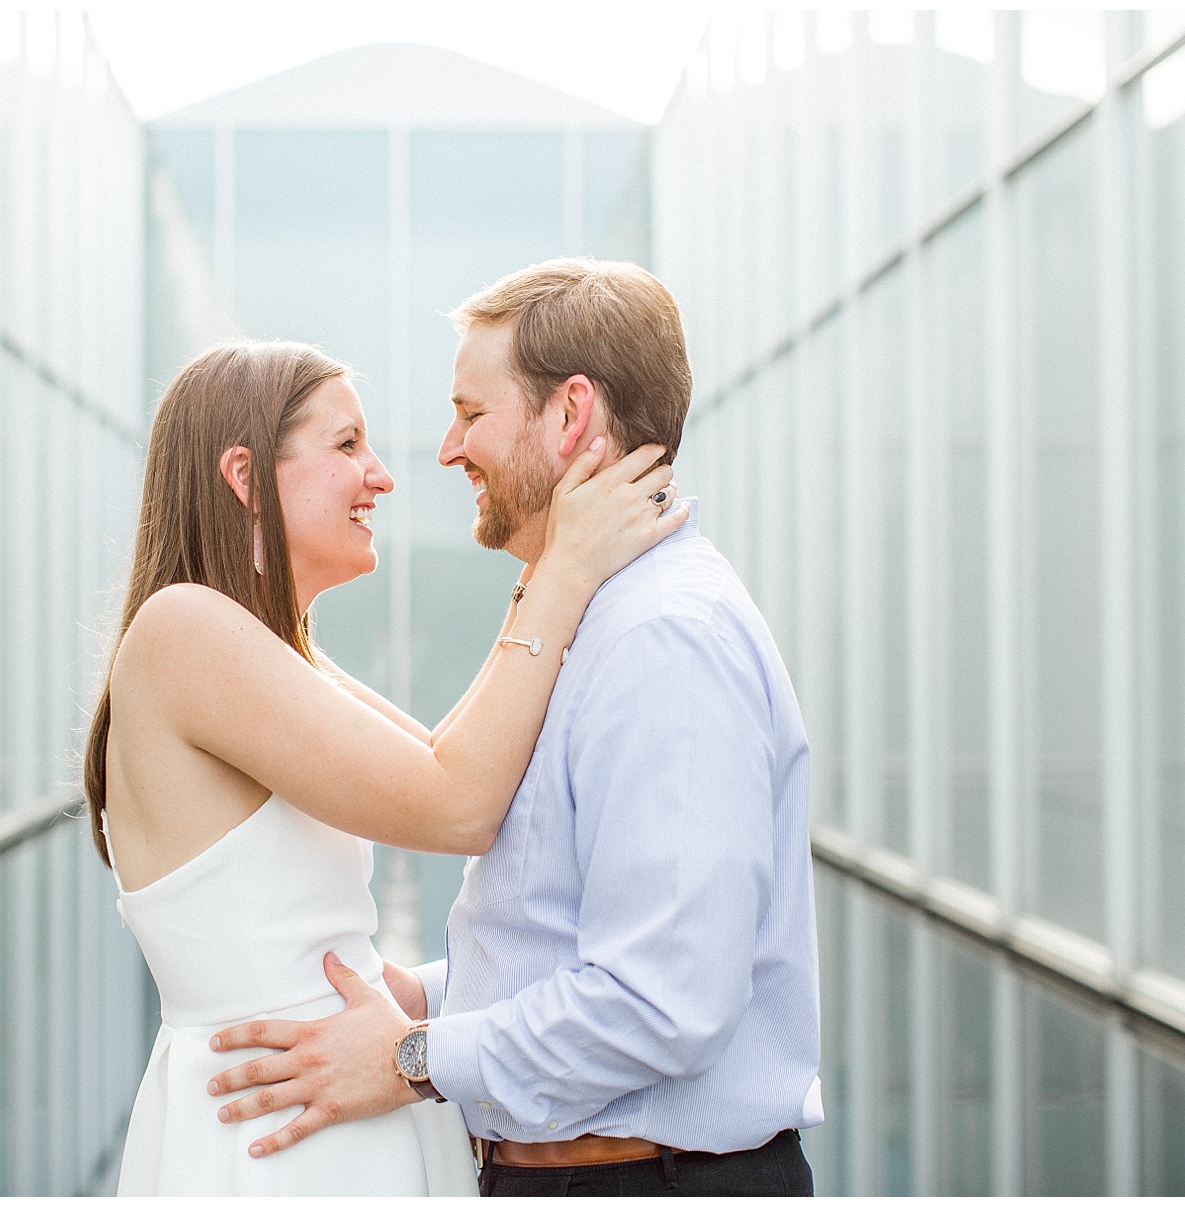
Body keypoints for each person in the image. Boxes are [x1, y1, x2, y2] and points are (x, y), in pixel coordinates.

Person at [208, 259, 824, 1196]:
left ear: (569, 414)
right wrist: (425, 997)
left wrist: (412, 1057)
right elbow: (567, 933)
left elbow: (663, 1002)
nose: (448, 448)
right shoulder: (593, 618)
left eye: (471, 411)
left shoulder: (665, 640)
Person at [86, 338, 682, 1195]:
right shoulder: (185, 629)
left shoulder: (264, 649)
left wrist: (552, 564)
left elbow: (454, 767)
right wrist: (565, 565)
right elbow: (457, 806)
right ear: (246, 474)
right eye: (346, 445)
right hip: (281, 1138)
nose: (382, 475)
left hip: (320, 1112)